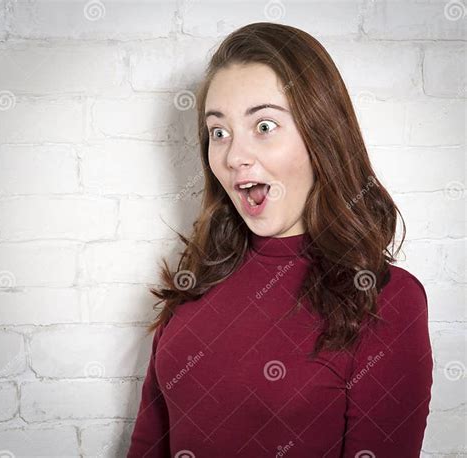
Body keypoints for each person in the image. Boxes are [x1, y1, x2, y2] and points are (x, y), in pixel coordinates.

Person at [127, 22, 433, 458]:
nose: (234, 156)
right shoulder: (194, 280)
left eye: (264, 126)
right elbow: (147, 444)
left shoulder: (388, 300)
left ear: (320, 136)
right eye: (219, 132)